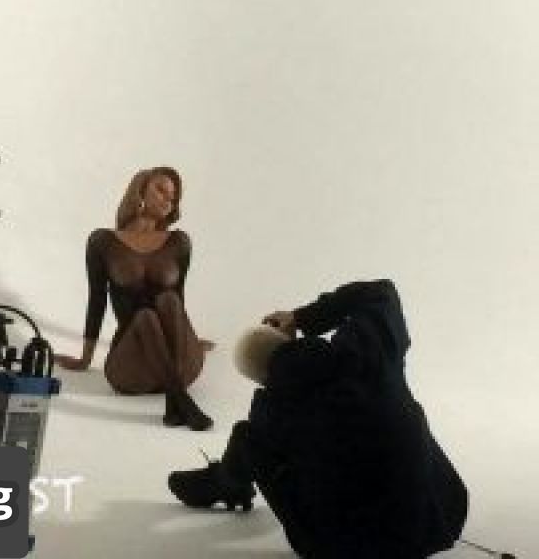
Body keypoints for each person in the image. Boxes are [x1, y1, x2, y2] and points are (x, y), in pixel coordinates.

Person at [167, 279, 469, 559]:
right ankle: (228, 482)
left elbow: (269, 430)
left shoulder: (272, 411)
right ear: (289, 341)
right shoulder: (369, 348)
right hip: (442, 517)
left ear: (263, 380)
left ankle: (226, 484)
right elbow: (381, 292)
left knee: (246, 439)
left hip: (344, 551)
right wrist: (300, 318)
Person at [56, 166, 215, 431]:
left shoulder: (179, 241)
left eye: (173, 197)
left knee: (168, 300)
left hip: (181, 363)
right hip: (133, 366)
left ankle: (176, 399)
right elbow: (97, 300)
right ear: (140, 190)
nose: (167, 200)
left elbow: (179, 300)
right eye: (161, 190)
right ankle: (179, 399)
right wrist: (85, 359)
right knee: (145, 316)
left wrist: (193, 342)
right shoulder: (103, 241)